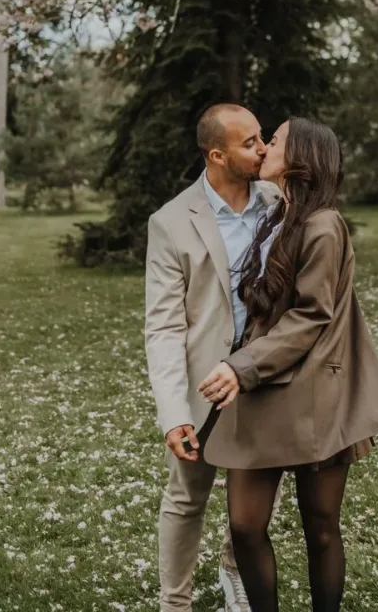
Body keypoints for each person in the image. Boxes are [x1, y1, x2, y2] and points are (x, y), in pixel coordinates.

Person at [198, 116, 378, 612]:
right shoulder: (277, 216)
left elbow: (313, 316)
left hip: (315, 393)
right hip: (263, 384)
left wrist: (241, 366)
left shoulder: (324, 225)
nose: (264, 147)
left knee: (322, 526)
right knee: (245, 525)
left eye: (277, 140)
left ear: (302, 158)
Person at [145, 103, 281, 612]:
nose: (263, 148)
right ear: (217, 154)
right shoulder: (171, 222)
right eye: (250, 143)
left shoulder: (278, 202)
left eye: (262, 137)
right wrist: (173, 413)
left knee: (251, 505)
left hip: (264, 379)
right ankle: (174, 603)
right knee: (186, 499)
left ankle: (235, 579)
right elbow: (162, 327)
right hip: (203, 387)